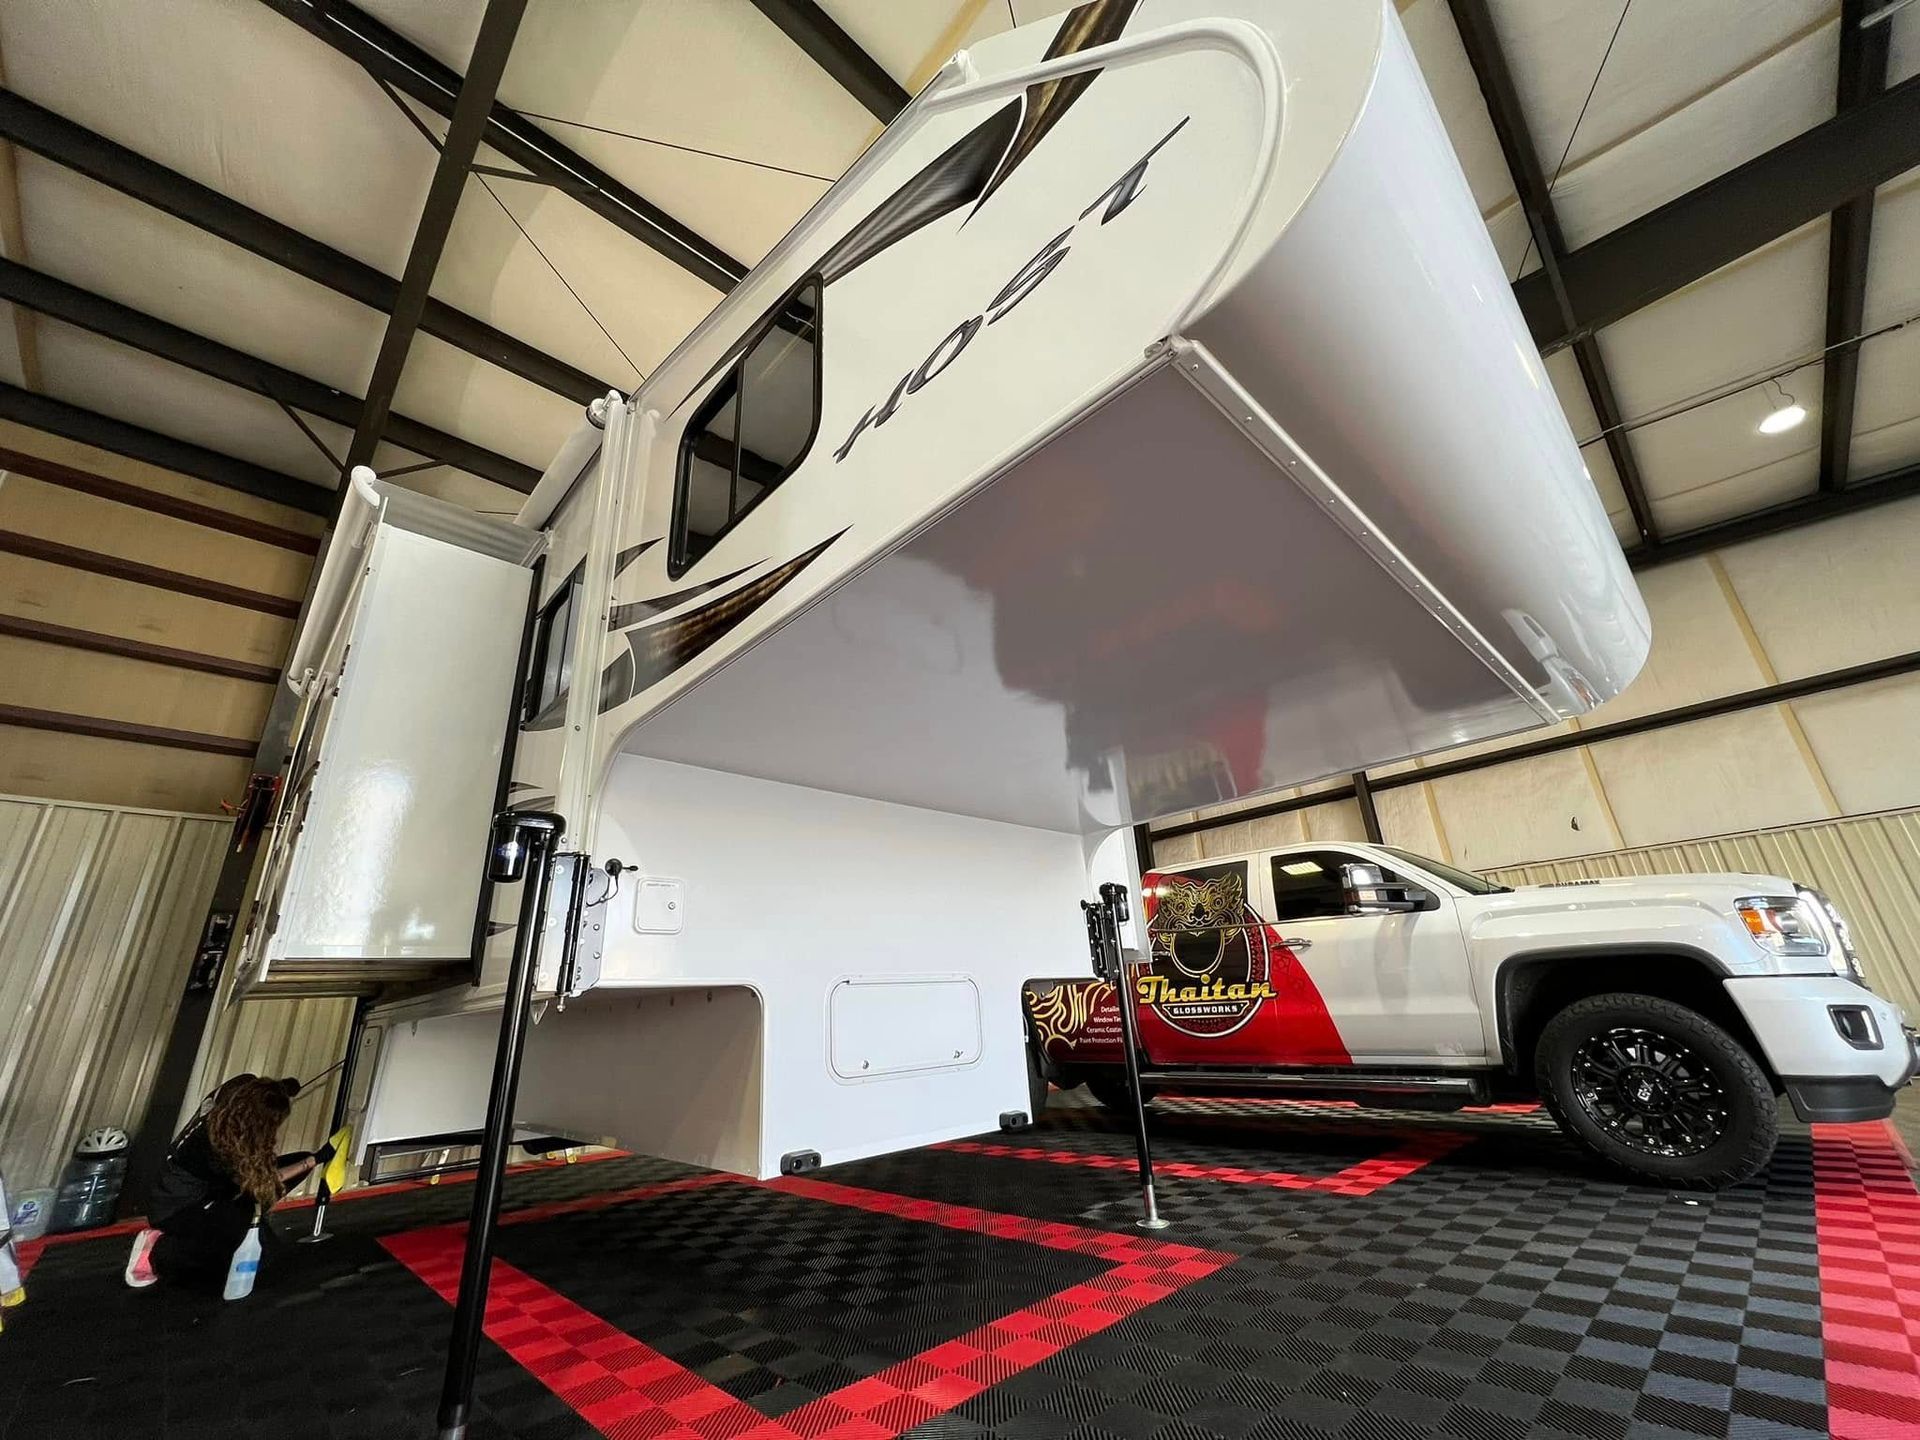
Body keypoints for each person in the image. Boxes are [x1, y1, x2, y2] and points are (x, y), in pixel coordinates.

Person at [123, 1074, 325, 1293]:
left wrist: (284, 1089)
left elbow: (260, 1092)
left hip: (208, 1190)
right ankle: (157, 1252)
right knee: (263, 1255)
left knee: (297, 1162)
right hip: (177, 1210)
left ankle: (236, 1221)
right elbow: (261, 1183)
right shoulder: (219, 1148)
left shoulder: (237, 1092)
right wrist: (312, 1161)